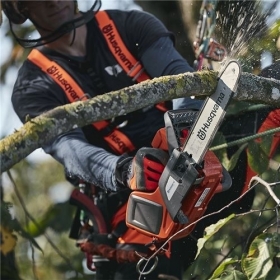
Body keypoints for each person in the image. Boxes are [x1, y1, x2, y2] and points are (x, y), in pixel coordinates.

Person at [2, 0, 202, 279]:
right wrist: (124, 170)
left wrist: (188, 127)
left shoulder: (129, 25)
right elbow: (69, 148)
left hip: (194, 162)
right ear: (21, 9)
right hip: (131, 202)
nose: (53, 1)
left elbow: (181, 78)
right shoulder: (32, 87)